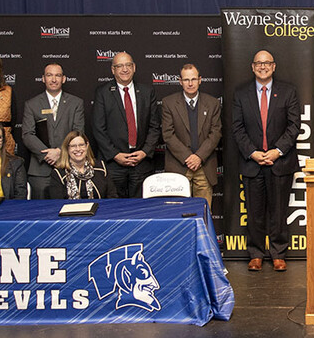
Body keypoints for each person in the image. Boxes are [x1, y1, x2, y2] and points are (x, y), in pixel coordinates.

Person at [231, 50, 301, 272]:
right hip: (253, 162)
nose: (263, 67)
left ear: (274, 66)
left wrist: (277, 151)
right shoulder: (241, 94)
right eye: (259, 63)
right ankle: (256, 253)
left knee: (279, 211)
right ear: (252, 67)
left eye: (267, 63)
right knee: (254, 212)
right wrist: (252, 152)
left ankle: (278, 253)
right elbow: (237, 128)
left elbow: (294, 126)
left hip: (279, 162)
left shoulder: (288, 92)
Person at [91, 52, 161, 198]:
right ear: (113, 70)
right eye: (119, 66)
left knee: (141, 210)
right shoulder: (102, 93)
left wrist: (144, 152)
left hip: (141, 163)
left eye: (128, 65)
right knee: (116, 210)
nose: (124, 69)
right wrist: (115, 155)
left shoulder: (147, 92)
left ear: (134, 67)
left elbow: (154, 126)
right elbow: (98, 129)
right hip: (114, 164)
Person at [161, 64, 222, 209]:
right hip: (179, 166)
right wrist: (188, 157)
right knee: (178, 214)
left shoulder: (212, 103)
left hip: (204, 166)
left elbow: (216, 132)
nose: (190, 83)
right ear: (180, 81)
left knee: (203, 214)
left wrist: (199, 157)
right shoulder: (168, 103)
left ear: (200, 80)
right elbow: (168, 134)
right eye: (186, 79)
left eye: (194, 79)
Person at [21, 63, 85, 199]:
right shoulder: (31, 104)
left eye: (58, 75)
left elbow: (78, 132)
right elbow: (27, 134)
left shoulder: (76, 103)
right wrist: (48, 154)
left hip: (68, 166)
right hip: (40, 170)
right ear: (43, 78)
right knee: (40, 213)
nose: (54, 79)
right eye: (49, 75)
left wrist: (60, 152)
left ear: (64, 79)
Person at [47, 130, 118, 199]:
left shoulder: (100, 167)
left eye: (81, 145)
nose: (78, 149)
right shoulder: (58, 174)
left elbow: (112, 196)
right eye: (73, 146)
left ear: (87, 146)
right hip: (71, 210)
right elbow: (57, 204)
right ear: (67, 149)